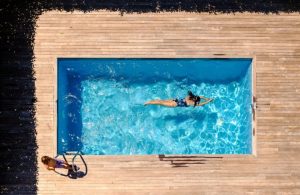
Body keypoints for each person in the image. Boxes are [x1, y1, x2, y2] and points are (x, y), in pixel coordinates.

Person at [144, 91, 213, 107]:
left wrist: (207, 99)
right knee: (160, 102)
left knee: (161, 101)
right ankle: (148, 102)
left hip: (174, 101)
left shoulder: (191, 99)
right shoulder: (192, 101)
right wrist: (208, 100)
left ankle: (149, 102)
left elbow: (200, 99)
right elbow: (201, 101)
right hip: (174, 102)